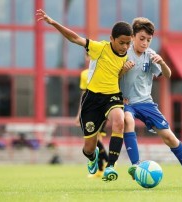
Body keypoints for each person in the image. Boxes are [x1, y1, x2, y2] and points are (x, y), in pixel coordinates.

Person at [36, 9, 132, 182]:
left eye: (128, 43)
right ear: (112, 39)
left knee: (119, 121)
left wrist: (124, 73)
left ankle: (110, 166)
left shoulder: (127, 56)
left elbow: (121, 78)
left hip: (112, 96)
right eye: (122, 43)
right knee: (88, 148)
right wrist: (54, 23)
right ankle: (92, 156)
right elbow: (75, 38)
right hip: (92, 100)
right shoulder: (100, 48)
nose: (125, 47)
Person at [119, 17, 182, 188]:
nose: (145, 43)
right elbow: (112, 78)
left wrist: (162, 62)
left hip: (146, 103)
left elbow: (168, 74)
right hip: (126, 101)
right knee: (127, 119)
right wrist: (122, 70)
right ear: (133, 37)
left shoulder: (150, 55)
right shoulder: (122, 53)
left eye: (149, 40)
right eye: (142, 39)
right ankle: (136, 165)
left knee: (169, 137)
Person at [75, 54, 109, 178]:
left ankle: (104, 165)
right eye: (88, 56)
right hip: (89, 110)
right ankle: (103, 166)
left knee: (97, 140)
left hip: (102, 108)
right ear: (86, 57)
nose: (90, 58)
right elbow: (83, 95)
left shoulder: (103, 71)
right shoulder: (84, 74)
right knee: (94, 140)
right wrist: (79, 113)